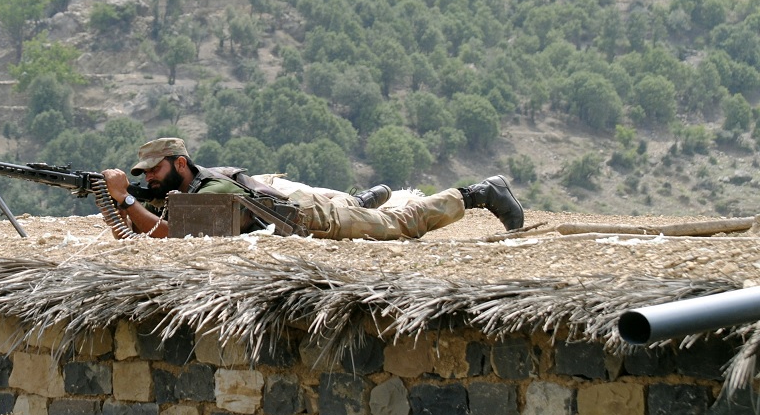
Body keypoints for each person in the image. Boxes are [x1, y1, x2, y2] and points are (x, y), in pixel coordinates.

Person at [100, 137, 524, 240]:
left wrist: (126, 199)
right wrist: (128, 204)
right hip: (292, 203)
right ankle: (359, 201)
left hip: (309, 217)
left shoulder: (210, 191)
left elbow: (170, 235)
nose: (148, 179)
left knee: (400, 224)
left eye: (153, 172)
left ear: (179, 164)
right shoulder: (193, 187)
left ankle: (480, 193)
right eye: (144, 174)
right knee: (359, 208)